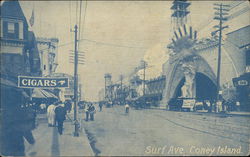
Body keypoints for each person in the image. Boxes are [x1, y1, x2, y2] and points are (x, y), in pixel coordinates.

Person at [1, 88, 36, 156]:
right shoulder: (18, 113)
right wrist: (31, 140)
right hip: (17, 146)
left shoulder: (3, 113)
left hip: (4, 147)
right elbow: (25, 129)